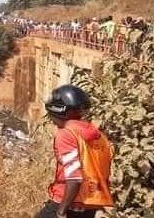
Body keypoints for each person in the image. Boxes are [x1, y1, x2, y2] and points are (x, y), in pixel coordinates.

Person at [36, 85, 113, 218]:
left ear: (58, 111)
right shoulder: (98, 135)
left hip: (68, 202)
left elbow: (74, 178)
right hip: (90, 204)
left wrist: (61, 212)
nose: (52, 122)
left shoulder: (67, 134)